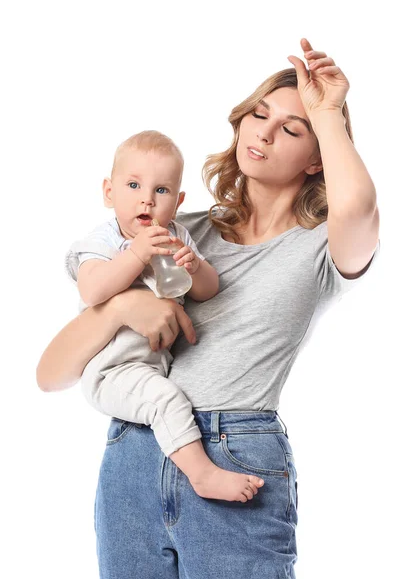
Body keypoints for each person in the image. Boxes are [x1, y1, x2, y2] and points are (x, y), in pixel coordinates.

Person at [37, 38, 381, 578]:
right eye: (259, 114)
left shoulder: (320, 247)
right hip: (134, 448)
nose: (264, 132)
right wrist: (125, 305)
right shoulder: (175, 231)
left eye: (292, 128)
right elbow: (51, 373)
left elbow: (358, 205)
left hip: (235, 455)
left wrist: (328, 111)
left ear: (317, 159)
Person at [65, 129, 266, 502]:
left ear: (178, 200)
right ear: (109, 192)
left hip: (154, 364)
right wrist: (137, 254)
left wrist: (195, 268)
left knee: (170, 396)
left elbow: (208, 290)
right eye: (133, 185)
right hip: (112, 368)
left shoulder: (176, 236)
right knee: (167, 401)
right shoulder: (105, 241)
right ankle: (202, 474)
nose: (146, 199)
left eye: (161, 191)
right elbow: (92, 291)